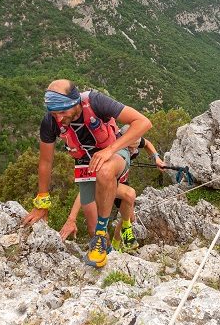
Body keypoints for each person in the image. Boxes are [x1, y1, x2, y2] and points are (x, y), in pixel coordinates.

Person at [22, 80, 151, 268]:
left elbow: (143, 122)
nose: (58, 118)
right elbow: (45, 162)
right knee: (91, 227)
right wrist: (42, 202)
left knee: (105, 172)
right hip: (85, 164)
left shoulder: (95, 102)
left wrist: (109, 150)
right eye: (54, 113)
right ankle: (106, 256)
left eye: (63, 112)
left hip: (114, 153)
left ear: (76, 103)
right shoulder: (50, 121)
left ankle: (102, 233)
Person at [59, 136, 166, 251]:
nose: (135, 149)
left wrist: (156, 158)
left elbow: (147, 143)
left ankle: (116, 242)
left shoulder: (129, 137)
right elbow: (85, 190)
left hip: (120, 181)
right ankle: (109, 250)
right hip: (105, 185)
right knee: (128, 195)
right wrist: (72, 218)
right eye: (132, 146)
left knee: (131, 217)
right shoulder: (103, 152)